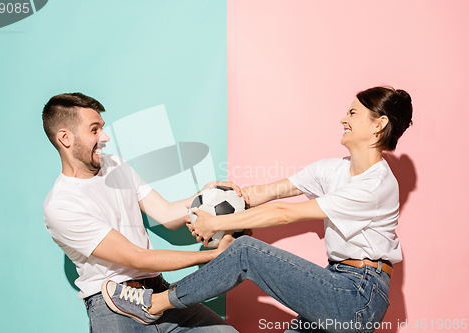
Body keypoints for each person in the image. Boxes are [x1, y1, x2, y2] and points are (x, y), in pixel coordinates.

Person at [102, 86, 413, 333]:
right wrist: (223, 192)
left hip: (357, 296)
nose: (343, 119)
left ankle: (154, 304)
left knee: (246, 251)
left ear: (378, 124)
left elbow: (285, 214)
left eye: (353, 113)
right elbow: (266, 193)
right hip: (335, 284)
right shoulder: (331, 170)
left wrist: (215, 225)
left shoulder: (375, 185)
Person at [42, 92, 242, 333]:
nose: (104, 137)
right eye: (94, 130)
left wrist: (205, 196)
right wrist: (214, 256)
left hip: (158, 293)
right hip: (113, 307)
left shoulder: (115, 165)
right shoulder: (61, 205)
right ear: (65, 138)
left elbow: (167, 214)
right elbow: (136, 257)